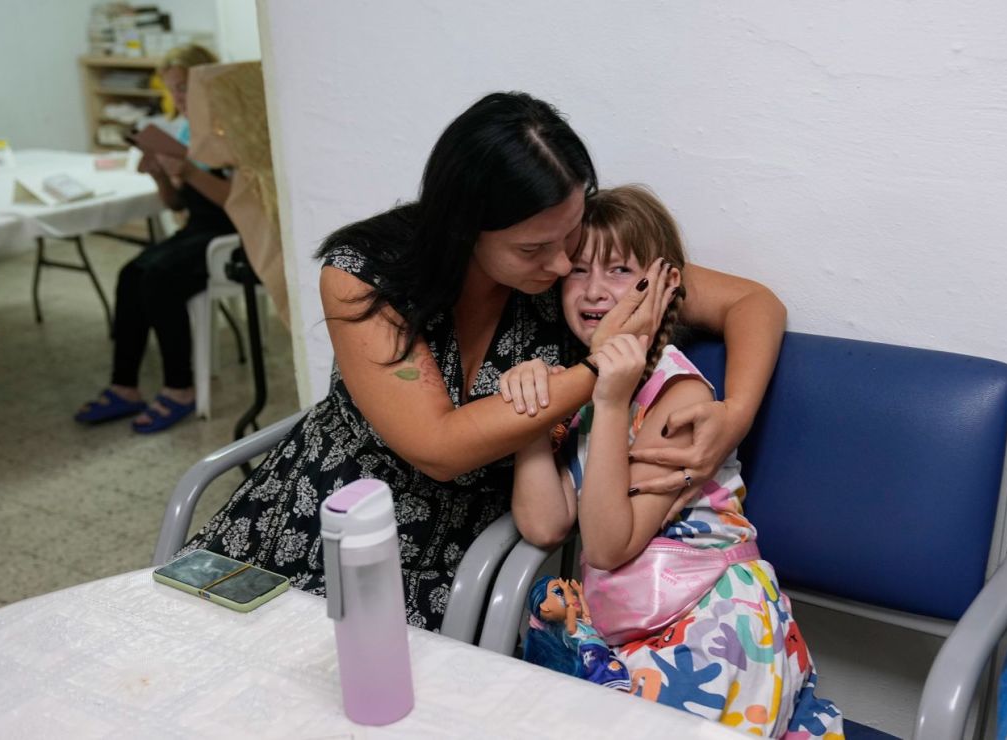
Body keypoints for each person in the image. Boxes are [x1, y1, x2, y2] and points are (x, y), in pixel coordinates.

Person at [180, 92, 786, 632]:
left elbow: (753, 303)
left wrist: (734, 415)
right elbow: (438, 446)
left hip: (454, 558)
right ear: (465, 229)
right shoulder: (366, 272)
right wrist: (601, 371)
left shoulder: (580, 273)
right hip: (320, 512)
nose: (559, 268)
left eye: (570, 235)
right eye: (533, 248)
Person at [508, 185, 843, 737]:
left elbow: (611, 544)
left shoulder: (678, 395)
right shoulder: (587, 388)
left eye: (620, 271)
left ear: (665, 288)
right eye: (579, 271)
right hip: (631, 625)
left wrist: (612, 400)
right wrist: (529, 416)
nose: (594, 291)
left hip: (711, 623)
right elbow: (545, 521)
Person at [75, 44, 235, 433]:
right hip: (198, 227)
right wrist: (161, 176)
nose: (178, 98)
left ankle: (180, 388)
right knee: (131, 273)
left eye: (184, 87)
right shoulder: (182, 129)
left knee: (160, 278)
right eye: (172, 90)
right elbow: (178, 205)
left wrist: (192, 173)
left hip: (232, 234)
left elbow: (239, 204)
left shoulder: (229, 129)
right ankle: (124, 386)